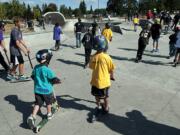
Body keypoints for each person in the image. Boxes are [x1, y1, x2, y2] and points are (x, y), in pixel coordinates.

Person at [27, 49, 61, 128]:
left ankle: (33, 116)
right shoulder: (47, 70)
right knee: (48, 103)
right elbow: (54, 79)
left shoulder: (36, 67)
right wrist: (59, 81)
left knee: (37, 104)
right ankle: (49, 114)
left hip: (37, 90)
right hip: (46, 91)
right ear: (47, 59)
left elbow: (32, 76)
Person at [89, 35, 115, 114]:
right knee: (105, 97)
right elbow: (111, 69)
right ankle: (106, 108)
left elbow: (91, 67)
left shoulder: (93, 57)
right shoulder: (107, 57)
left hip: (95, 81)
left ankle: (98, 106)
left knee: (96, 95)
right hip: (105, 82)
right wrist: (112, 76)